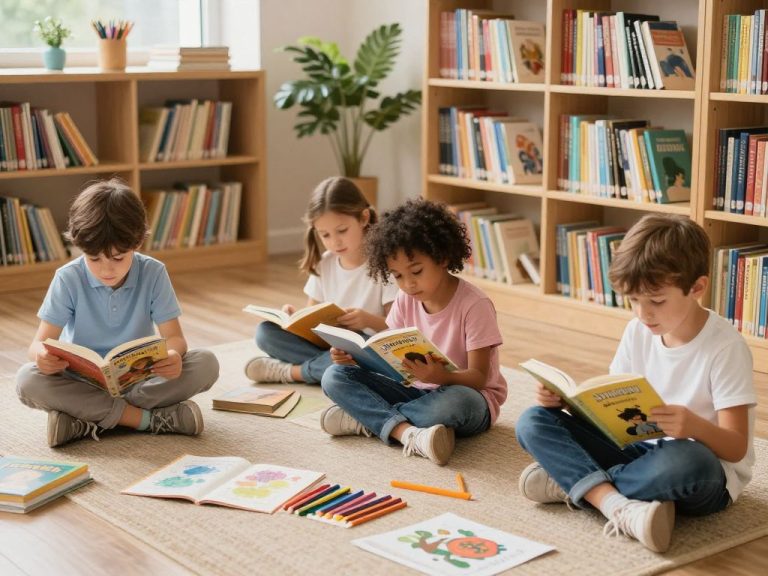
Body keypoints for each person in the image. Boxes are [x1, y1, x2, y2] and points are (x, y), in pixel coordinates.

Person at [515, 214, 756, 553]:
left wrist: (693, 426)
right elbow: (610, 412)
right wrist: (567, 403)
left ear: (697, 287)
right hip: (637, 452)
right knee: (533, 421)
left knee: (689, 460)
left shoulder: (725, 347)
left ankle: (578, 483)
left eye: (656, 301)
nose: (643, 314)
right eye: (633, 300)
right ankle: (616, 503)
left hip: (701, 470)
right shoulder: (638, 331)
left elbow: (736, 448)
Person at [16, 178, 219, 447]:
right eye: (94, 258)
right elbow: (38, 344)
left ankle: (85, 420)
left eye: (118, 257)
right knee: (27, 379)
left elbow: (175, 338)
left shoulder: (153, 273)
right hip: (81, 383)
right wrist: (42, 358)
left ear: (137, 242)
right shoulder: (68, 278)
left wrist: (172, 356)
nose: (106, 269)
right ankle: (147, 420)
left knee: (206, 363)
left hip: (140, 382)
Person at [319, 199, 507, 466]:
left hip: (468, 398)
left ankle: (369, 419)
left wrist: (441, 376)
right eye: (397, 276)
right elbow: (392, 359)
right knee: (334, 376)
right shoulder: (405, 299)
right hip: (416, 391)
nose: (408, 284)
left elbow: (479, 378)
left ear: (442, 257)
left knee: (457, 402)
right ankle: (406, 432)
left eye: (416, 271)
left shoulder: (475, 305)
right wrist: (354, 359)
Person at [245, 177, 397, 384]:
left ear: (363, 218)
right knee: (265, 332)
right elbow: (312, 318)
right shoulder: (324, 263)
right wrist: (293, 320)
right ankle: (331, 370)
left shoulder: (385, 264)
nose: (335, 242)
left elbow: (398, 329)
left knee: (361, 351)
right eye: (325, 235)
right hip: (330, 349)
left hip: (365, 347)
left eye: (342, 231)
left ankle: (293, 372)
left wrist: (367, 320)